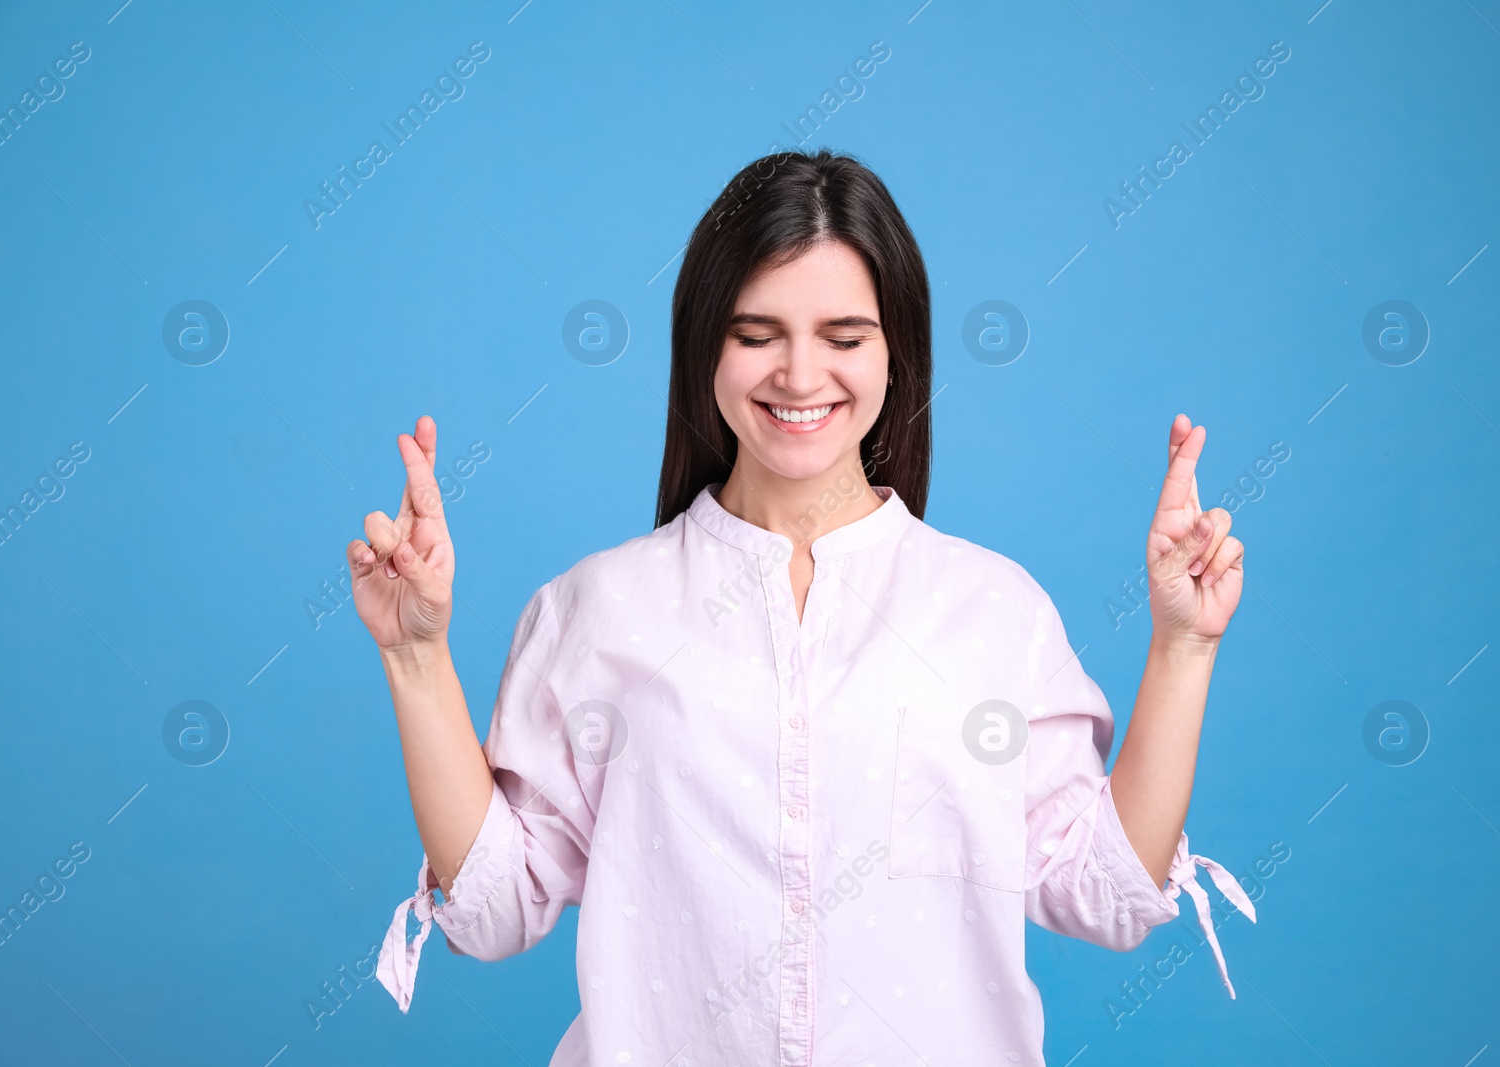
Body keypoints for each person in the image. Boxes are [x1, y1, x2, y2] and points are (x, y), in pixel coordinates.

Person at [356, 148, 1253, 1064]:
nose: (798, 372)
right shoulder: (597, 609)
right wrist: (416, 657)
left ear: (896, 352)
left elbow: (1103, 895)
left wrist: (1183, 646)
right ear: (705, 344)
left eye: (843, 335)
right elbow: (495, 911)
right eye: (757, 333)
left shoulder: (994, 613)